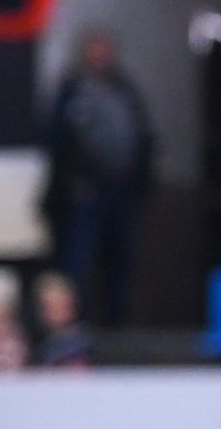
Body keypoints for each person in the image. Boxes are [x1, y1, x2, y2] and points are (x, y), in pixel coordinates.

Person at [43, 29, 155, 325]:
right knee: (79, 257)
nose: (100, 56)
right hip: (84, 191)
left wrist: (139, 182)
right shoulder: (73, 90)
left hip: (119, 189)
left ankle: (116, 318)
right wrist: (72, 181)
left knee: (120, 258)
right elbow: (58, 140)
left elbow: (143, 136)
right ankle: (72, 321)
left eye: (104, 50)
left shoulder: (124, 89)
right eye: (94, 50)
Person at [31, 271, 93, 367]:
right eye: (51, 307)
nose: (58, 313)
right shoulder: (34, 351)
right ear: (40, 310)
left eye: (62, 305)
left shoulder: (93, 344)